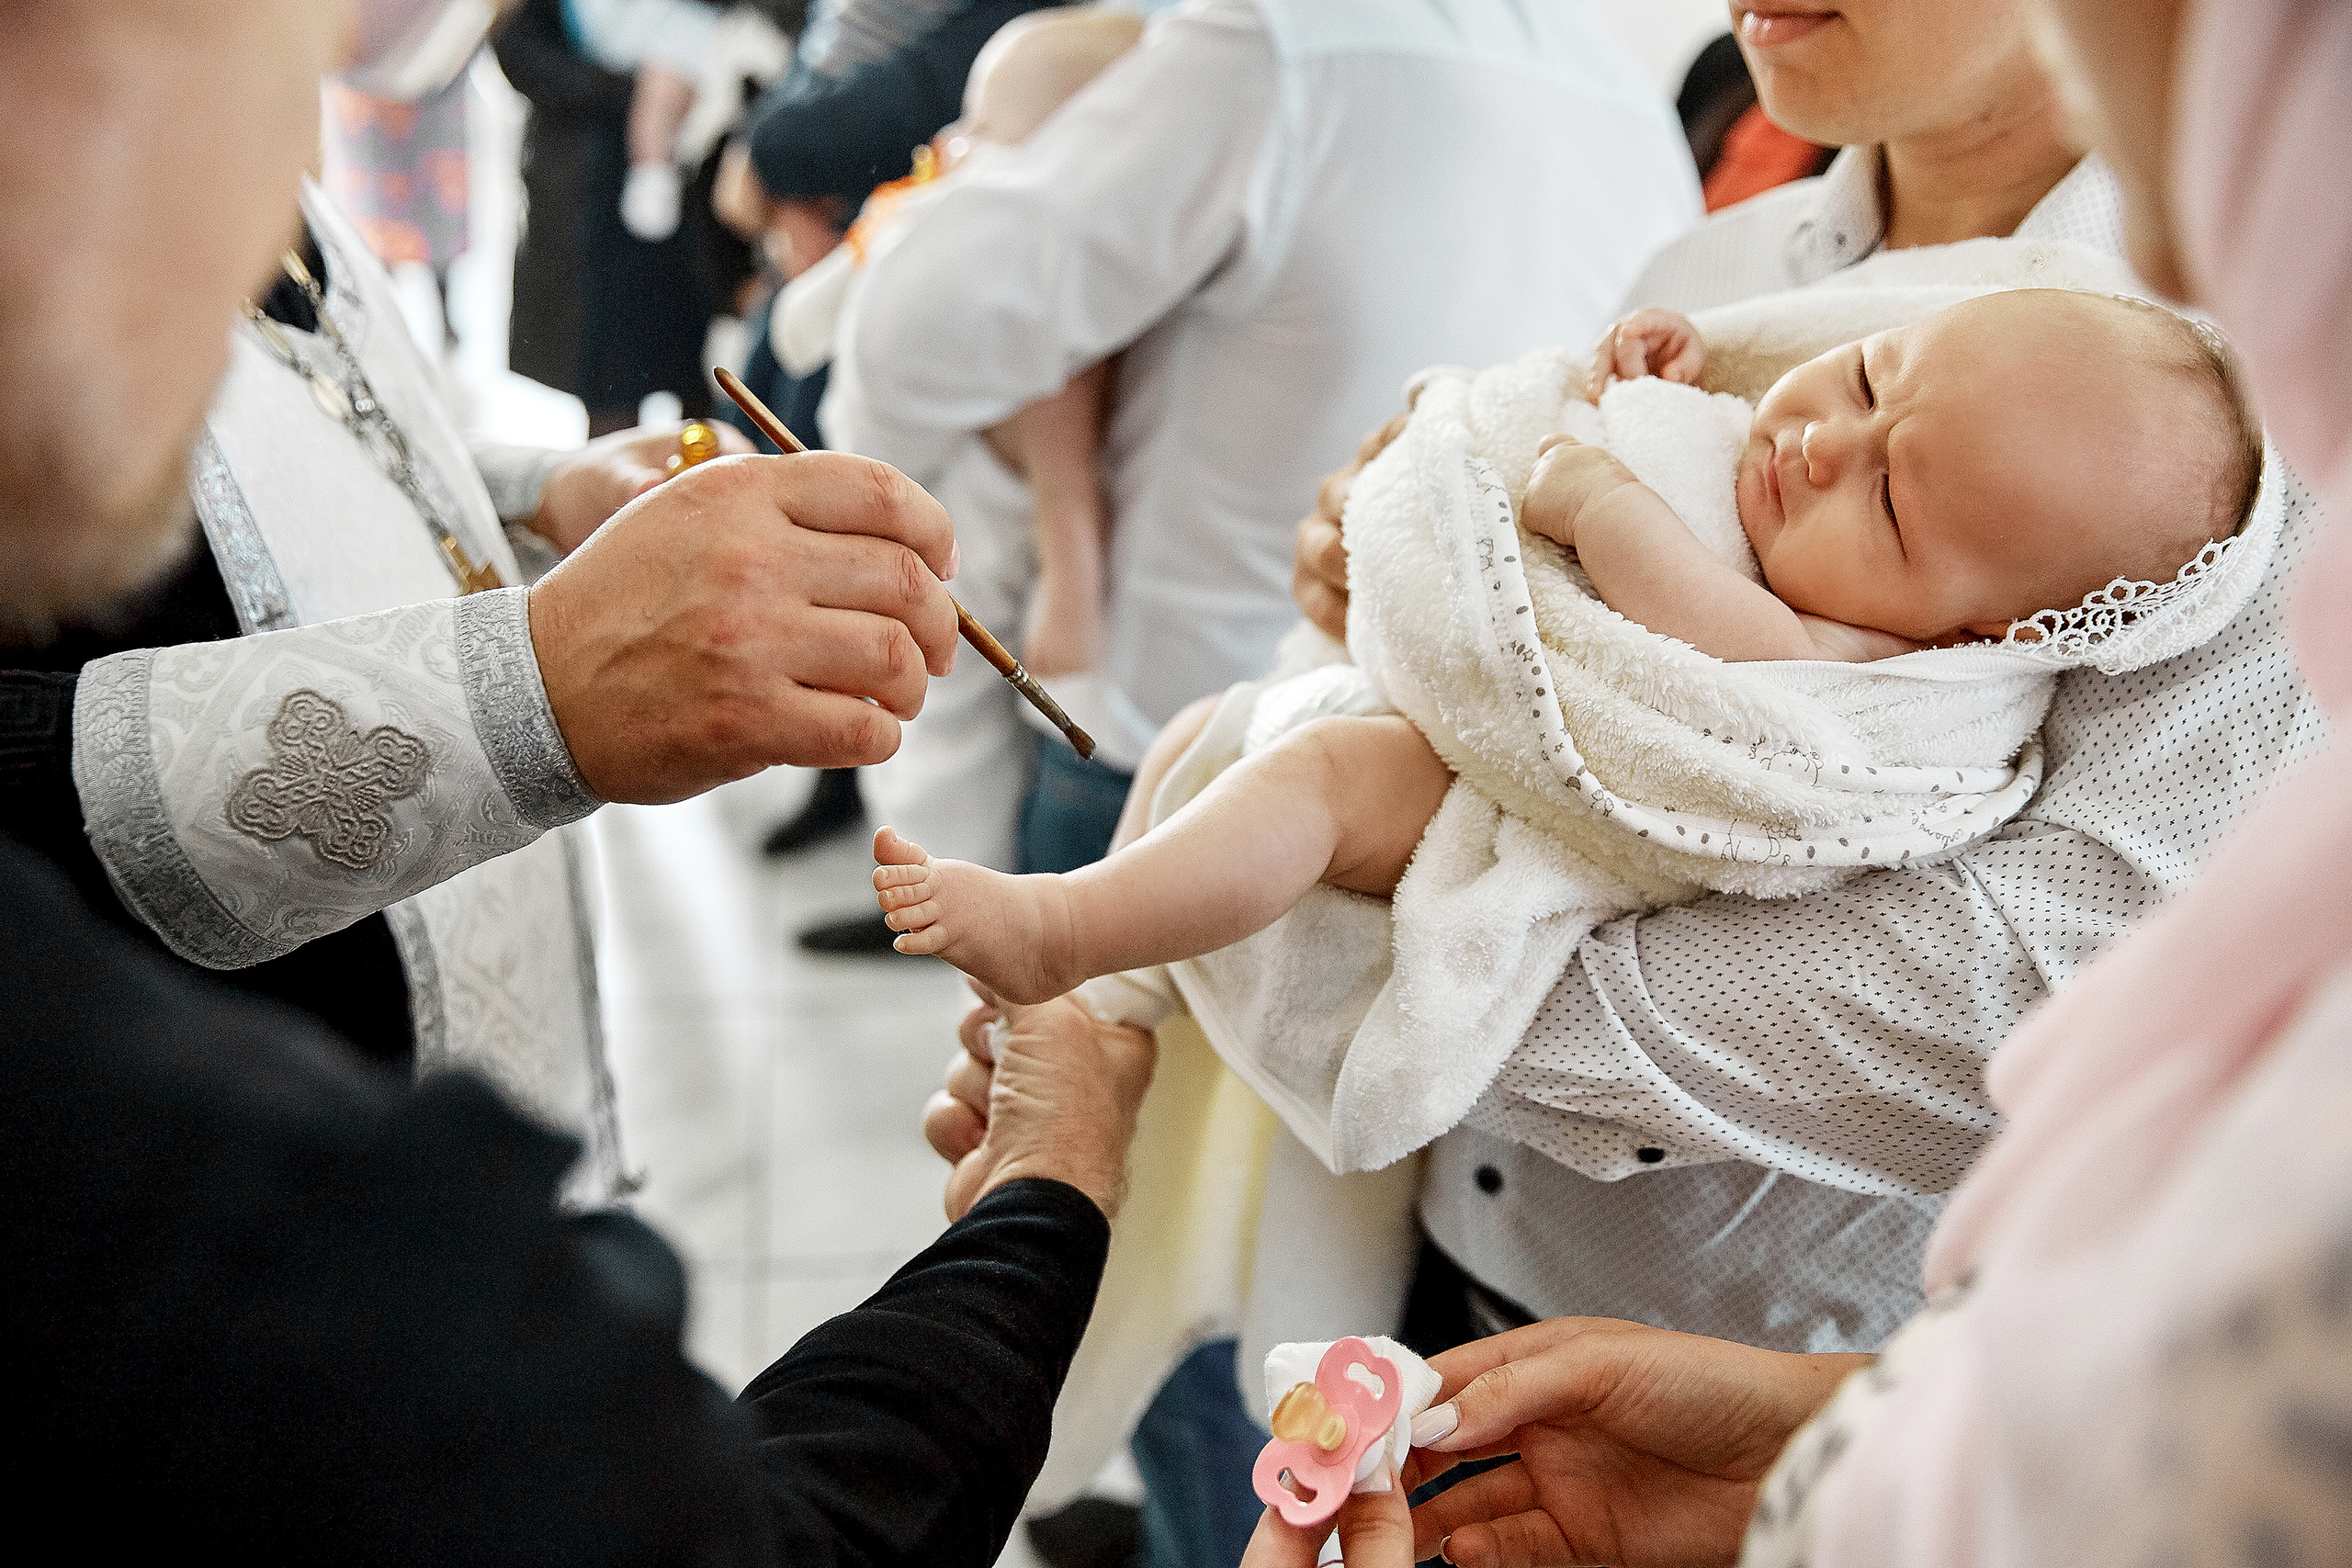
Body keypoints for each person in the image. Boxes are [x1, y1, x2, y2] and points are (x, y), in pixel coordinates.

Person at [0, 0, 1160, 1560]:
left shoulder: (246, 207)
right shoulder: (258, 1273)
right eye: (280, 52)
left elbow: (327, 422)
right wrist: (1049, 1189)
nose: (303, 134)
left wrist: (549, 489)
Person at [1225, 8, 2352, 1563]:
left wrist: (1352, 939)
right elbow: (1547, 600)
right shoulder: (1723, 264)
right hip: (1454, 1239)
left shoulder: (2209, 430)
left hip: (1784, 1352)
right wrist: (1402, 582)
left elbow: (2016, 982)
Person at [875, 289, 2261, 1003]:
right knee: (1215, 757)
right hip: (1431, 689)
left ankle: (1068, 932)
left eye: (1889, 498)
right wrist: (1658, 374)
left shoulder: (1892, 671)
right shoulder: (1801, 433)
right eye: (1860, 378)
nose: (1817, 443)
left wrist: (1603, 505)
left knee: (1310, 793)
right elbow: (1690, 417)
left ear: (1978, 627)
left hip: (1534, 798)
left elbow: (1751, 655)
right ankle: (1125, 984)